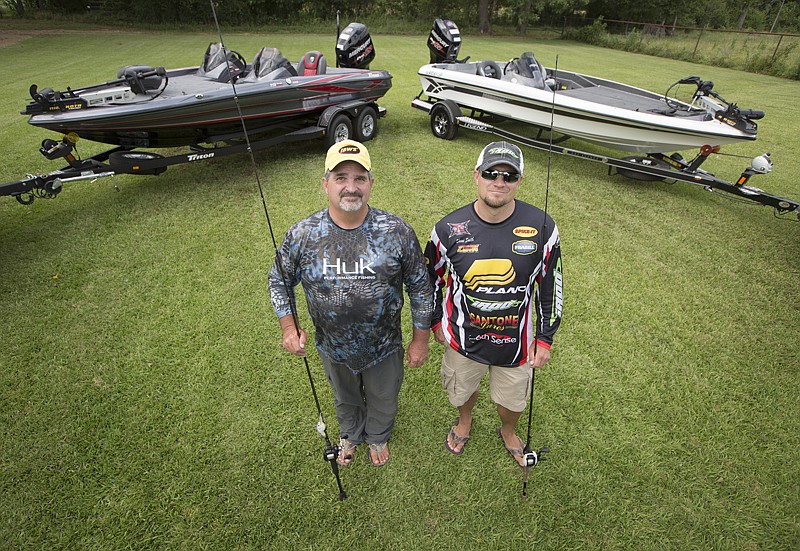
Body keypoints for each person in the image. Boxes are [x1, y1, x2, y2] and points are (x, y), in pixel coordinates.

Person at [268, 139, 432, 467]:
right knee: (345, 398)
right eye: (341, 177)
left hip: (385, 346)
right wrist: (289, 327)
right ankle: (351, 434)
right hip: (332, 347)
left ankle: (378, 435)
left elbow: (421, 288)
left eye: (360, 178)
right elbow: (279, 281)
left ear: (371, 183)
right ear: (326, 184)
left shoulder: (397, 231)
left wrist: (420, 340)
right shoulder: (302, 234)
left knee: (384, 397)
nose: (351, 187)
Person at [425, 141, 563, 467]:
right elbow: (428, 279)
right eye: (491, 173)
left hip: (516, 344)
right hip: (463, 339)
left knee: (513, 401)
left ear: (519, 181)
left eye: (509, 175)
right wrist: (434, 323)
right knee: (461, 392)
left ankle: (509, 430)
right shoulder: (447, 229)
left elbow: (551, 285)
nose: (499, 181)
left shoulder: (544, 227)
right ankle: (464, 421)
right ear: (476, 176)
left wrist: (544, 338)